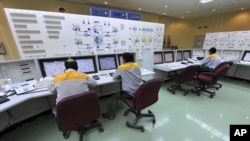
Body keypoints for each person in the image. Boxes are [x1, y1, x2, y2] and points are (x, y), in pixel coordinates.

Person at [102, 52, 142, 120]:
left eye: (122, 59)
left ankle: (111, 114)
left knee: (115, 94)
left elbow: (114, 77)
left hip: (130, 93)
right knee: (121, 88)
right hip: (139, 91)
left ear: (124, 59)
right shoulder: (137, 65)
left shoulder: (122, 67)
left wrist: (121, 75)